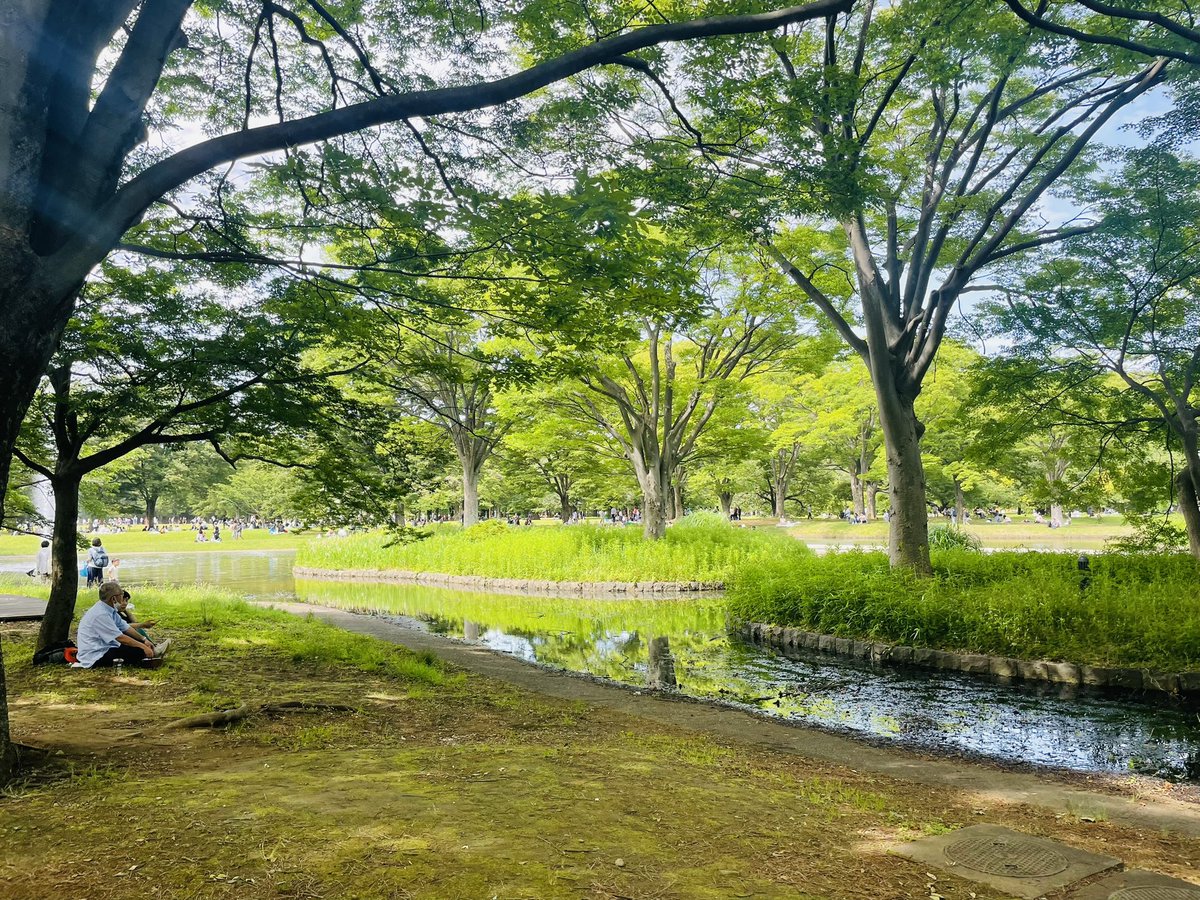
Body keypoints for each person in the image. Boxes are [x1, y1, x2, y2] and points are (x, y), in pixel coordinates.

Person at [75, 582, 170, 668]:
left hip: (104, 646)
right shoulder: (101, 614)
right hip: (95, 654)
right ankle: (150, 655)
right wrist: (143, 647)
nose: (123, 597)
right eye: (121, 595)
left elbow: (125, 627)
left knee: (136, 642)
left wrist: (144, 640)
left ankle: (152, 652)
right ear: (114, 598)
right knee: (137, 651)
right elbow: (120, 638)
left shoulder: (108, 609)